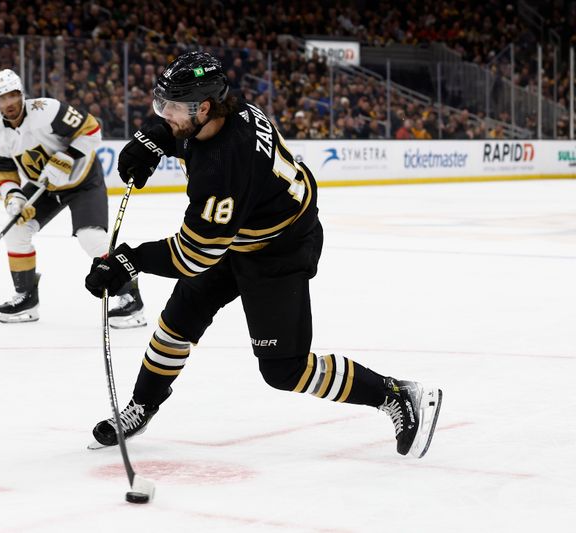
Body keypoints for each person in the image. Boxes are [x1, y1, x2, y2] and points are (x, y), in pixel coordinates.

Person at [84, 52, 442, 458]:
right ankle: (143, 405)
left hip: (279, 250)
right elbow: (182, 133)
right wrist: (152, 140)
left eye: (172, 108)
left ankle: (395, 394)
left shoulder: (224, 167)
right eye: (160, 104)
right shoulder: (225, 111)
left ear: (203, 108)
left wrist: (130, 262)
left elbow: (193, 256)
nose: (164, 113)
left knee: (284, 369)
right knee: (176, 324)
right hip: (240, 233)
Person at [0, 69, 145, 327]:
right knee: (16, 228)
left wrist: (65, 159)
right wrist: (13, 199)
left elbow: (92, 130)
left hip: (83, 181)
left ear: (21, 94)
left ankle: (131, 299)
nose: (8, 103)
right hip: (45, 186)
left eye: (13, 96)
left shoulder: (46, 110)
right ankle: (26, 297)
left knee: (91, 238)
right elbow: (4, 174)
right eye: (1, 99)